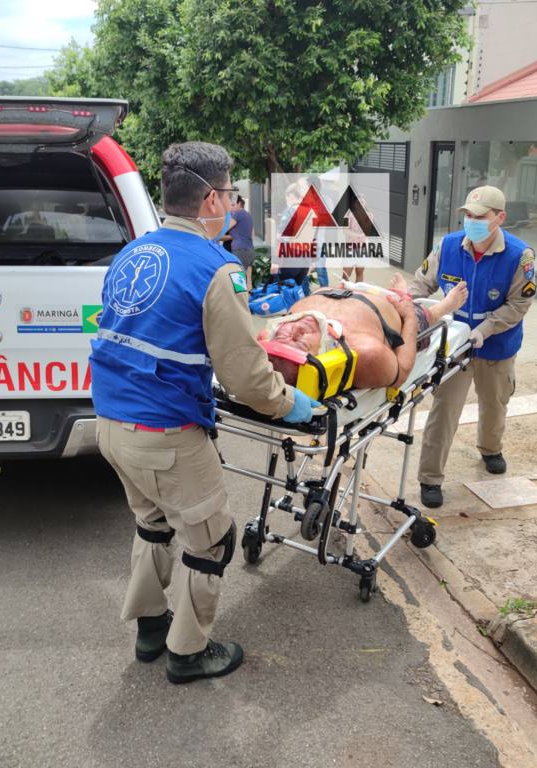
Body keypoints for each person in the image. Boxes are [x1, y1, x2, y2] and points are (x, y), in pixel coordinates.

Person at [89, 141, 319, 685]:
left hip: (110, 423)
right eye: (232, 192)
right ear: (213, 199)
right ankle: (188, 653)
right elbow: (244, 373)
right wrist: (289, 405)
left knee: (152, 523)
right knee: (211, 541)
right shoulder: (219, 268)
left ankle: (150, 628)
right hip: (165, 433)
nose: (233, 202)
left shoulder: (135, 252)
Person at [405, 185, 537, 509]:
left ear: (499, 218)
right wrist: (405, 307)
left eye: (480, 216)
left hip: (498, 346)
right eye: (468, 216)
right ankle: (430, 478)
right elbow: (420, 285)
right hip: (455, 347)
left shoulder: (519, 256)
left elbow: (520, 302)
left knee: (494, 405)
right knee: (443, 410)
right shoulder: (448, 247)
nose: (472, 221)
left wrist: (486, 329)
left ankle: (490, 449)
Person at [260, 278, 467, 390]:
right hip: (392, 312)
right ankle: (440, 306)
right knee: (422, 314)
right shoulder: (366, 351)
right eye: (301, 342)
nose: (295, 328)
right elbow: (401, 372)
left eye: (283, 335)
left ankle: (399, 293)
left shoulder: (282, 327)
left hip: (348, 291)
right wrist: (409, 316)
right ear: (322, 361)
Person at [226, 196, 256, 288]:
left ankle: (240, 301)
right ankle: (247, 300)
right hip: (250, 250)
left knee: (238, 283)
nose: (230, 207)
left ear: (239, 204)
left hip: (240, 250)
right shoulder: (248, 215)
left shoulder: (237, 214)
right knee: (248, 282)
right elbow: (252, 235)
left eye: (232, 205)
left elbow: (225, 228)